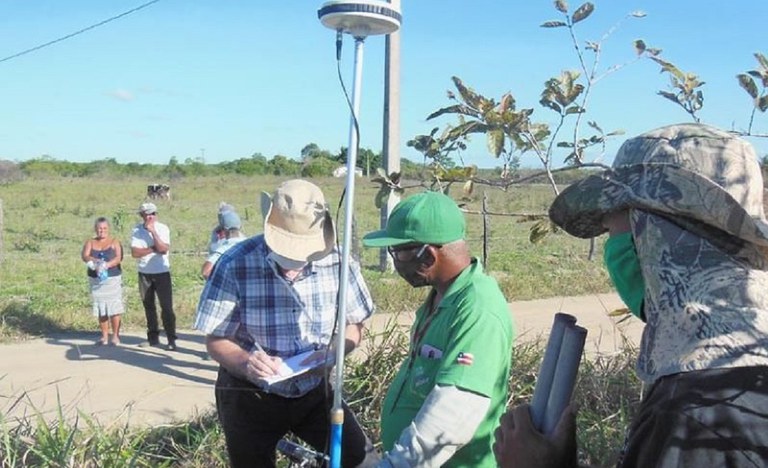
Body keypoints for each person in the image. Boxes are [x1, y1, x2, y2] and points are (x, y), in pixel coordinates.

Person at [494, 123, 768, 467]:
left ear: (656, 235)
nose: (612, 248)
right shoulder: (741, 364)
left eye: (613, 228)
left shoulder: (695, 410)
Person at [195, 179, 378, 468]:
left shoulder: (340, 263)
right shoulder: (234, 263)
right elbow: (216, 339)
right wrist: (247, 362)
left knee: (362, 461)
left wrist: (334, 352)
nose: (294, 264)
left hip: (316, 389)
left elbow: (355, 324)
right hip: (250, 394)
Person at [362, 191, 515, 467]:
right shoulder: (443, 296)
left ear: (428, 256)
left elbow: (455, 409)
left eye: (397, 252)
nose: (395, 262)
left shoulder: (478, 309)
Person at [130, 202, 178, 351]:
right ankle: (153, 338)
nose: (150, 217)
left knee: (166, 307)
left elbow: (163, 249)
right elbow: (135, 253)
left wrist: (153, 233)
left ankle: (171, 338)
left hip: (162, 272)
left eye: (153, 214)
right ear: (142, 215)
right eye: (147, 214)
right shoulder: (137, 230)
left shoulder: (163, 228)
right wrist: (152, 248)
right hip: (144, 272)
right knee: (148, 306)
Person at [81, 216, 124, 346]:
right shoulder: (90, 242)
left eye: (104, 228)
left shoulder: (115, 241)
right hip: (96, 280)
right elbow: (85, 256)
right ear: (95, 229)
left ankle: (115, 335)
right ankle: (104, 336)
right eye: (99, 228)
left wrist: (106, 265)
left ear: (108, 228)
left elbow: (119, 258)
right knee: (101, 308)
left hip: (112, 279)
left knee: (114, 308)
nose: (102, 231)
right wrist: (96, 262)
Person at [201, 209, 246, 280]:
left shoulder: (223, 249)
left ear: (224, 230)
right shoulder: (251, 245)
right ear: (240, 227)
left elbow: (206, 272)